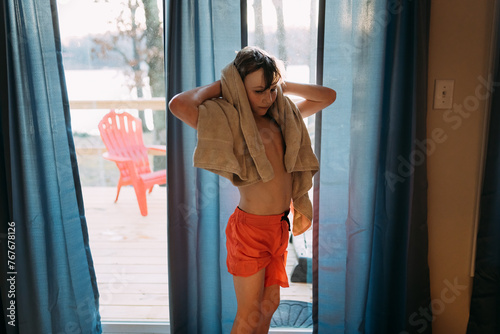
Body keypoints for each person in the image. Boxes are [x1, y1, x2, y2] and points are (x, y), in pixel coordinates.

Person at [169, 46, 336, 334]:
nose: (268, 98)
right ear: (238, 86)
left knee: (270, 304)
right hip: (250, 231)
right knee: (248, 314)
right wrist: (224, 85)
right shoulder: (229, 123)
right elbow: (179, 105)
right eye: (259, 91)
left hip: (279, 227)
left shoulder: (283, 119)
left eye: (271, 89)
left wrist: (283, 84)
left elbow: (327, 96)